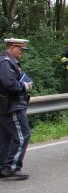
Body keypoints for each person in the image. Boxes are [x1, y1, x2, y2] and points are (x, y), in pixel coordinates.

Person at [0, 38, 32, 180]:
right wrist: (24, 86)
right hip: (11, 106)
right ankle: (12, 167)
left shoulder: (8, 62)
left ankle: (3, 167)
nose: (22, 53)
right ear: (12, 47)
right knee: (22, 135)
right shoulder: (5, 62)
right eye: (21, 50)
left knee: (5, 138)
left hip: (8, 105)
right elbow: (8, 84)